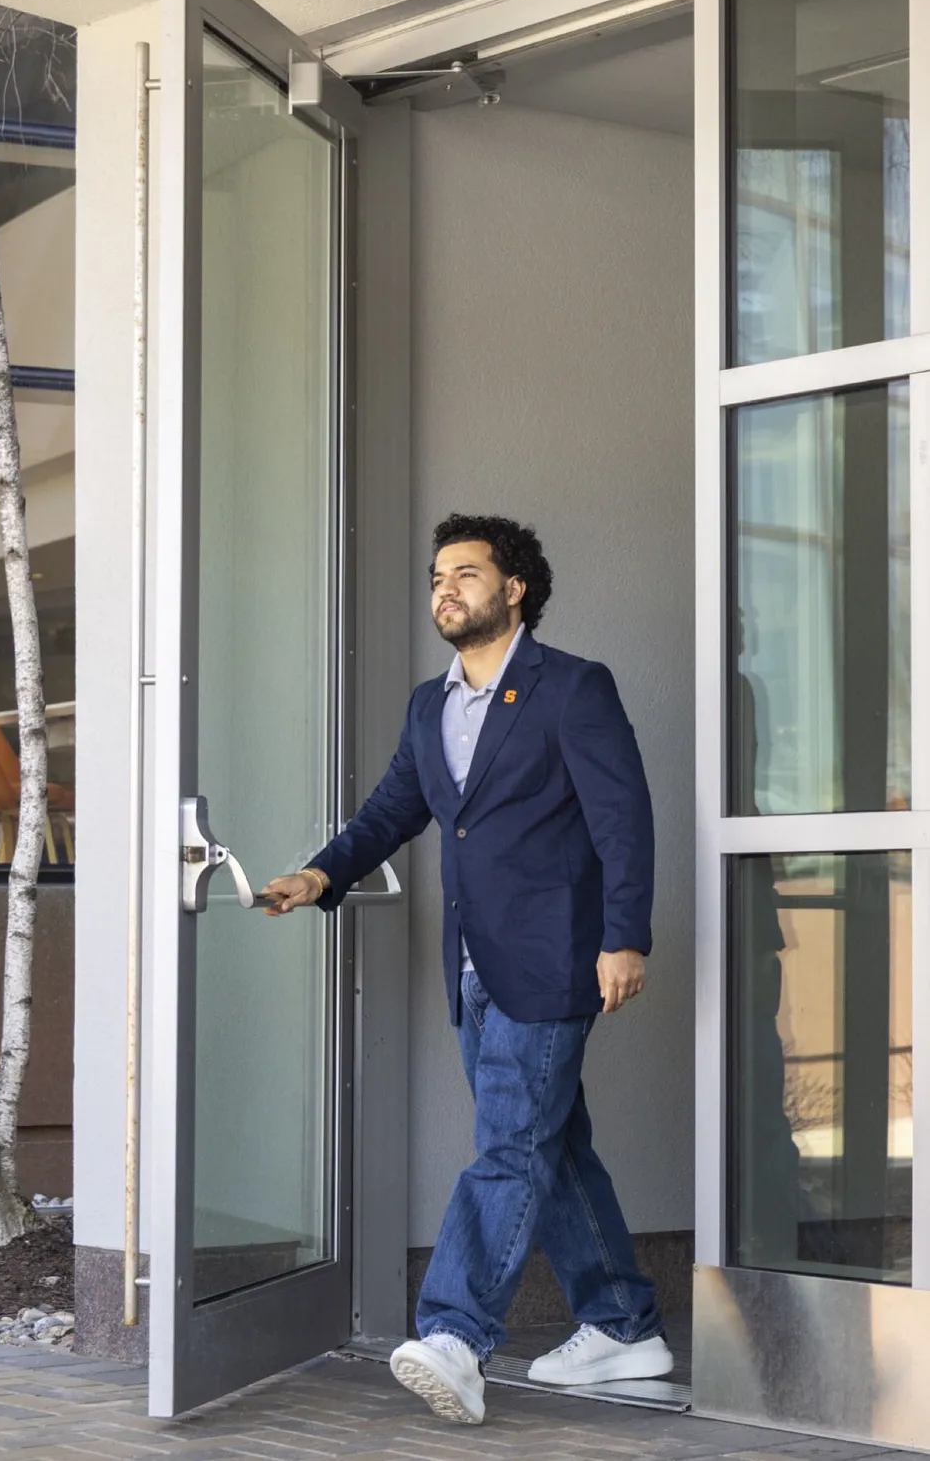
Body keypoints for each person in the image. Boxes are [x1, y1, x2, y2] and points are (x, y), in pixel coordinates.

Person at [263, 513, 671, 1426]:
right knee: (550, 1145)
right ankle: (624, 1323)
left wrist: (625, 936)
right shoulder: (429, 704)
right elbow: (392, 810)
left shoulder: (571, 689)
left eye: (466, 573)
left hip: (557, 954)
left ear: (514, 587)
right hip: (472, 963)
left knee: (509, 1145)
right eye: (437, 577)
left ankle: (454, 1333)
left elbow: (623, 821)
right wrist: (321, 873)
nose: (445, 588)